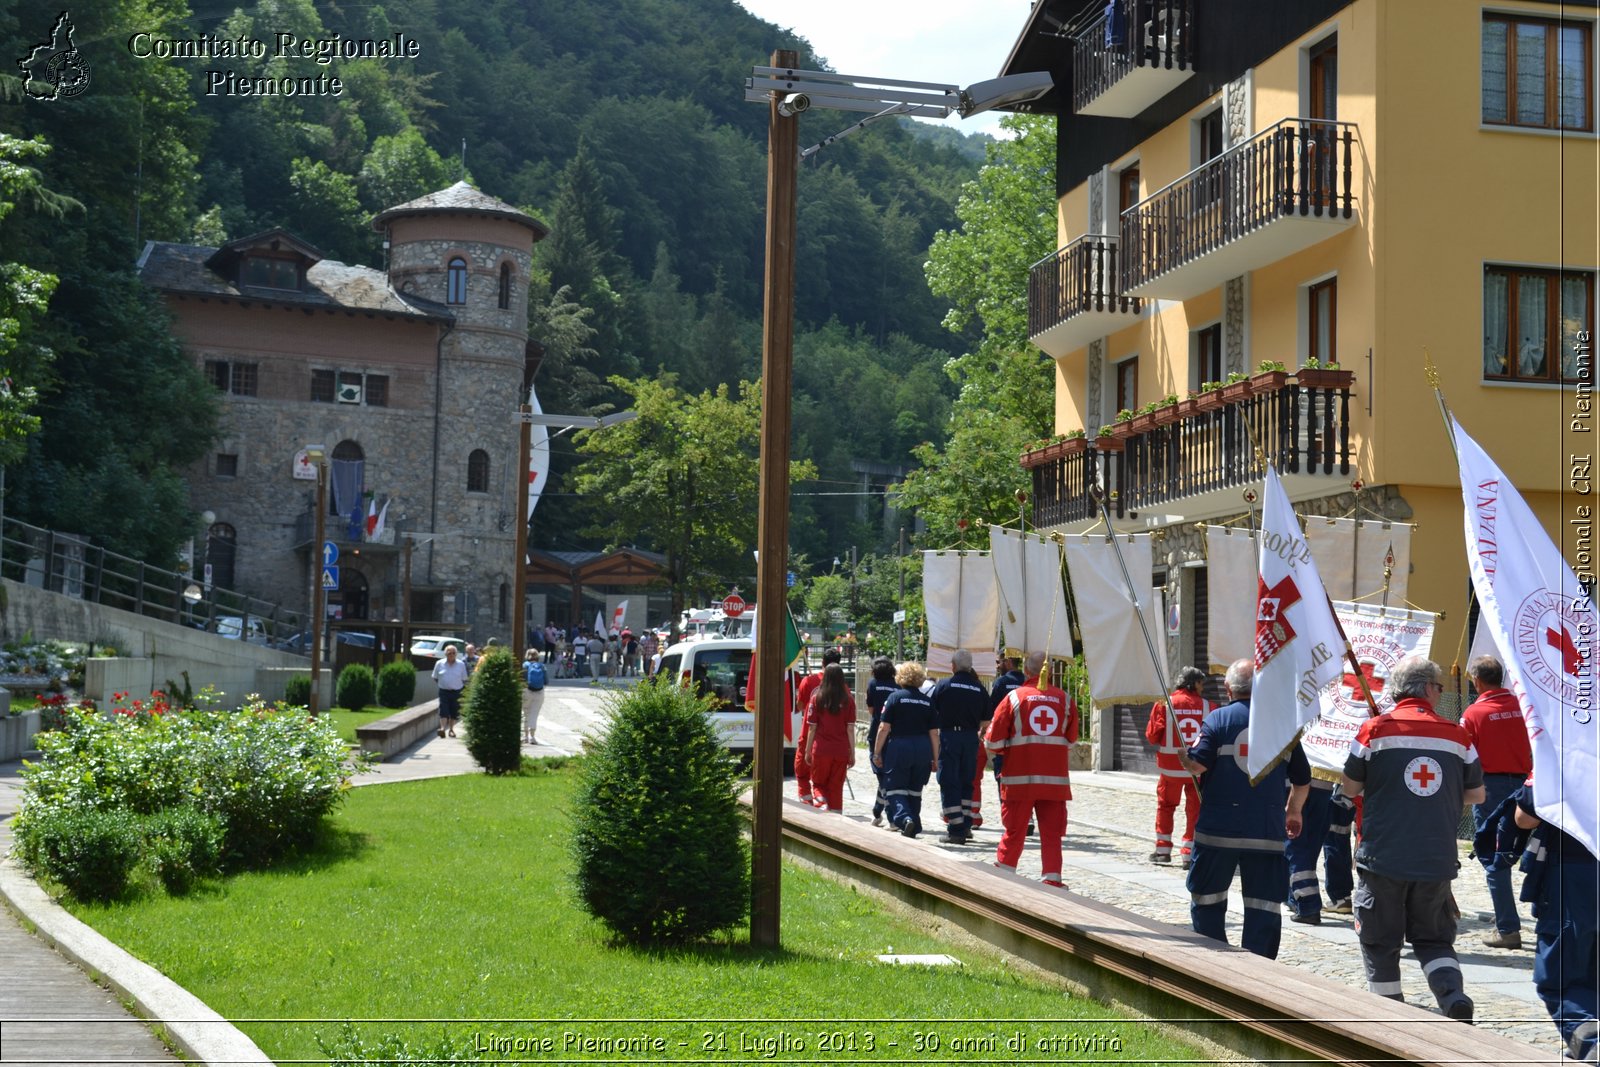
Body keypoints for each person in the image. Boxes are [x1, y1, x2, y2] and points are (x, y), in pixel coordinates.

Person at [1341, 655, 1484, 1021]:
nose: (1440, 693)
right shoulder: (1458, 735)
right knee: (1435, 938)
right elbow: (1476, 795)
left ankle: (1390, 1015)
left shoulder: (1373, 730)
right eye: (1439, 687)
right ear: (1428, 689)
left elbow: (1351, 787)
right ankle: (1453, 997)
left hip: (1383, 857)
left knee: (1380, 941)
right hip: (1435, 858)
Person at [1180, 658, 1310, 960]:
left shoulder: (1217, 720)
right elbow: (1302, 780)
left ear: (1227, 689)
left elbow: (1198, 764)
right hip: (1265, 831)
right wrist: (1293, 812)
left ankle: (1213, 961)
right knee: (1264, 905)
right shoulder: (1283, 725)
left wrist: (1184, 759)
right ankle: (1258, 968)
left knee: (1207, 899)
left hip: (1217, 832)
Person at [1513, 778, 1599, 1062]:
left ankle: (1590, 1042)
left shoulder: (1563, 745)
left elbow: (1524, 818)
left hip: (1577, 871)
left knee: (1561, 976)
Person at [986, 651, 1078, 888]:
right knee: (1052, 834)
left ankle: (1005, 876)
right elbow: (1070, 740)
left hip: (1019, 779)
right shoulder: (1066, 699)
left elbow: (993, 743)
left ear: (1026, 671)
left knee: (1015, 831)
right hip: (1054, 782)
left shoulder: (1014, 698)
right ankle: (1052, 879)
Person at [1461, 655, 1533, 949]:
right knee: (1539, 853)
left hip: (1490, 788)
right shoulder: (1525, 706)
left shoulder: (1473, 714)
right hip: (1528, 785)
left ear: (1477, 681)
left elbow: (1464, 756)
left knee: (1494, 857)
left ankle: (1508, 928)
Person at [1145, 666, 1210, 868]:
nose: (1203, 688)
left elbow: (1152, 736)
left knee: (1165, 807)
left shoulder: (1164, 704)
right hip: (1196, 769)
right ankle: (1189, 854)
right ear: (1194, 683)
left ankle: (1163, 851)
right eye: (1201, 683)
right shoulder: (1208, 706)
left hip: (1170, 769)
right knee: (1195, 810)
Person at [930, 649, 991, 844]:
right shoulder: (979, 688)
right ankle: (965, 825)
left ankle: (955, 829)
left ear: (953, 666)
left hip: (949, 737)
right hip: (970, 738)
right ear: (970, 666)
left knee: (949, 780)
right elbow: (986, 719)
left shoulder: (944, 685)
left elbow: (932, 711)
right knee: (967, 780)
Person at [872, 661, 938, 838]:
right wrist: (936, 758)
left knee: (894, 788)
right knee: (915, 790)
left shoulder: (895, 698)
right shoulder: (927, 702)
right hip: (923, 748)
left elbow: (883, 728)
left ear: (900, 677)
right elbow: (934, 734)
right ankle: (914, 825)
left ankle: (905, 818)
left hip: (900, 747)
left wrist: (877, 752)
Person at [804, 662, 856, 812]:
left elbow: (812, 728)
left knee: (818, 784)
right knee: (836, 787)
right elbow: (850, 728)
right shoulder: (848, 700)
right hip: (840, 750)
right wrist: (852, 752)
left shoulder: (817, 698)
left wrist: (808, 751)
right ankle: (836, 816)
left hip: (821, 749)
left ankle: (821, 805)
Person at [794, 650, 841, 804]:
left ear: (822, 661)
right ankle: (825, 805)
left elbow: (800, 706)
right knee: (828, 781)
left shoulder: (808, 681)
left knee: (802, 773)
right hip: (832, 739)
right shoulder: (843, 688)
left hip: (809, 734)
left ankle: (808, 805)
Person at [864, 656, 898, 826]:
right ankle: (878, 810)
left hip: (877, 731)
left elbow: (870, 709)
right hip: (893, 734)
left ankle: (890, 814)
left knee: (881, 774)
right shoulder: (897, 686)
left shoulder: (872, 684)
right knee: (887, 774)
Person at [431, 643, 468, 739]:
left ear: (456, 654)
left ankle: (451, 729)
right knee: (443, 709)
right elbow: (435, 677)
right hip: (444, 691)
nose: (451, 654)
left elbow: (464, 679)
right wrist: (443, 684)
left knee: (454, 712)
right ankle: (443, 729)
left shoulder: (461, 664)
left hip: (456, 691)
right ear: (445, 654)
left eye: (453, 653)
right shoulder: (439, 663)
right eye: (449, 653)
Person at [521, 648, 547, 745]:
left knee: (526, 713)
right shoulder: (542, 666)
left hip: (527, 690)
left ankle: (526, 736)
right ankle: (532, 736)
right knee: (534, 714)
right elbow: (546, 681)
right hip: (539, 692)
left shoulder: (525, 665)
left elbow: (522, 678)